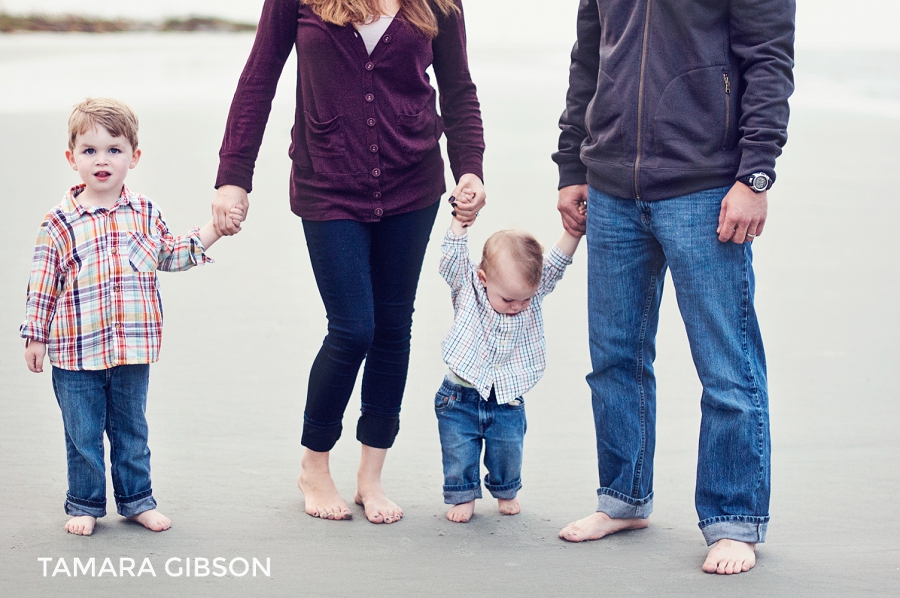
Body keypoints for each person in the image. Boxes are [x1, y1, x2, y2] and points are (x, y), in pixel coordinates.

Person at [210, 0, 486, 524]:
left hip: (414, 181)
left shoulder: (438, 4)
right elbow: (258, 78)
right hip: (327, 181)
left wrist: (469, 168)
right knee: (353, 327)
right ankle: (314, 466)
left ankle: (370, 476)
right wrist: (233, 175)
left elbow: (458, 89)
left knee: (392, 329)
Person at [552, 0, 795, 575]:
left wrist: (755, 176)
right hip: (610, 182)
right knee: (614, 356)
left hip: (706, 187)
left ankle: (735, 521)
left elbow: (768, 60)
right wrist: (571, 165)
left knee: (726, 362)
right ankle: (624, 498)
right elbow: (588, 58)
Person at [20, 98, 244, 536]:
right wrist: (36, 336)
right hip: (74, 350)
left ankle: (137, 499)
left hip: (131, 348)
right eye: (89, 151)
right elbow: (42, 283)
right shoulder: (59, 222)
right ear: (72, 159)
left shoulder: (145, 213)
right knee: (83, 435)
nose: (101, 160)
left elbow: (171, 253)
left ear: (133, 157)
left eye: (114, 149)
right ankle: (85, 503)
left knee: (131, 430)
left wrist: (215, 230)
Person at [435, 190, 582, 522]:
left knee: (508, 449)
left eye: (524, 301)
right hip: (460, 394)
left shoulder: (532, 289)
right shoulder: (468, 287)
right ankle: (462, 495)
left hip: (507, 399)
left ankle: (506, 489)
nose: (517, 308)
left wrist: (573, 231)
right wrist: (460, 220)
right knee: (459, 450)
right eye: (509, 300)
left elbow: (556, 264)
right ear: (484, 280)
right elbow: (452, 258)